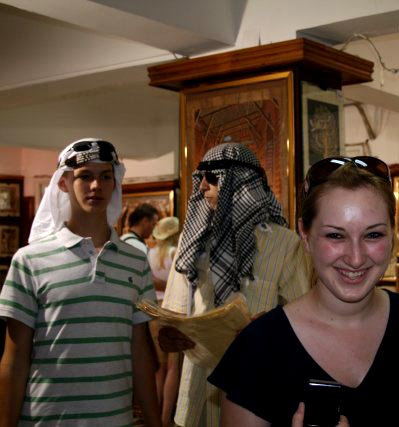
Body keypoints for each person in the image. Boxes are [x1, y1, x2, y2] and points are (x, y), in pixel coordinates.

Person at [208, 156, 399, 426]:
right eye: (335, 236)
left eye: (373, 235)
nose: (355, 258)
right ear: (305, 236)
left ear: (393, 234)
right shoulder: (259, 347)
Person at [0, 138, 160, 426]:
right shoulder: (30, 260)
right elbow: (15, 358)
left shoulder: (135, 262)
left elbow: (140, 352)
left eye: (105, 176)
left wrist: (154, 422)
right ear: (63, 183)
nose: (96, 186)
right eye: (85, 176)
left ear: (115, 182)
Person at [160, 142, 311, 426]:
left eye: (212, 177)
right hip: (198, 391)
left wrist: (268, 327)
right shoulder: (191, 242)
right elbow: (174, 315)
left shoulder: (284, 243)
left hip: (257, 388)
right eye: (201, 177)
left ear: (241, 182)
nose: (202, 186)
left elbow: (305, 319)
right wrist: (170, 335)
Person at [148, 216, 181, 426]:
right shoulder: (175, 253)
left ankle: (153, 415)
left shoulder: (150, 253)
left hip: (153, 310)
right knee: (173, 367)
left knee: (158, 367)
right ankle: (165, 418)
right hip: (172, 310)